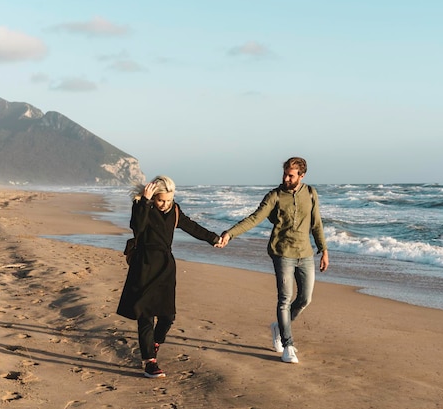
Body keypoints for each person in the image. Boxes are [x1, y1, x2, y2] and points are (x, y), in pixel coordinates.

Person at [219, 157, 329, 364]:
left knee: (305, 299)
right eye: (285, 174)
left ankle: (279, 326)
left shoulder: (311, 193)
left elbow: (317, 224)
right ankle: (288, 345)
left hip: (305, 254)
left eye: (291, 175)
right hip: (282, 253)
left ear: (301, 176)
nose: (286, 178)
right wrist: (229, 234)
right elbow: (254, 218)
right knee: (285, 299)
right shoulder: (275, 196)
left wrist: (324, 250)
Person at [117, 175, 222, 378]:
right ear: (153, 197)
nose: (165, 204)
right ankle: (149, 361)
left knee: (167, 316)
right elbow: (136, 227)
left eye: (168, 200)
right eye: (160, 200)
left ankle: (154, 343)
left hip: (165, 267)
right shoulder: (142, 206)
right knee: (145, 315)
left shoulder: (174, 210)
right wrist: (146, 202)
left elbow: (191, 226)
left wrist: (213, 238)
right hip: (144, 266)